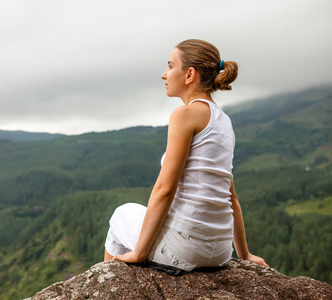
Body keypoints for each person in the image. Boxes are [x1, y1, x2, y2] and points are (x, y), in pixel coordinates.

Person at [104, 39, 268, 271]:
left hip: (185, 248)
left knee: (120, 214)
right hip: (220, 251)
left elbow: (165, 189)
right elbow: (232, 198)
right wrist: (244, 254)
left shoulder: (185, 115)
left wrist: (139, 252)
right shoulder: (224, 121)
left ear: (189, 74)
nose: (164, 74)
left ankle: (109, 284)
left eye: (170, 66)